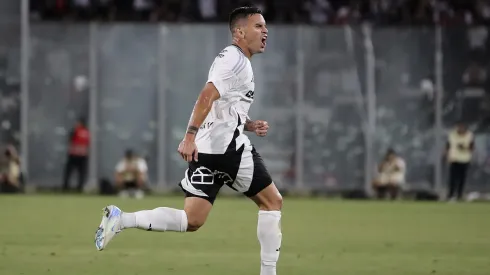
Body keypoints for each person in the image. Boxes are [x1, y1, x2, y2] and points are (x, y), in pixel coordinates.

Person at [95, 7, 282, 275]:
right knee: (272, 202)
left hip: (207, 151)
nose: (265, 31)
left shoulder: (234, 60)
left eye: (265, 26)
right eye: (258, 26)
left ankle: (121, 219)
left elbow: (222, 106)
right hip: (227, 149)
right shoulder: (236, 60)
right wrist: (188, 136)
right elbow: (206, 95)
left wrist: (248, 124)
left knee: (192, 219)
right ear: (239, 32)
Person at [446, 122, 474, 201]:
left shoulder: (469, 135)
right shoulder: (452, 134)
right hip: (454, 159)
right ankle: (451, 195)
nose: (460, 129)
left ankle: (459, 195)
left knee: (462, 179)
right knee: (452, 179)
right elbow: (448, 145)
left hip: (464, 159)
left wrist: (464, 147)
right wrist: (446, 155)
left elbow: (471, 148)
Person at [62, 117, 90, 192]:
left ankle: (68, 187)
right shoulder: (86, 132)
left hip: (76, 155)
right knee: (79, 173)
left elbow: (70, 139)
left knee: (72, 172)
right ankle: (77, 187)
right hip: (80, 155)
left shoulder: (76, 130)